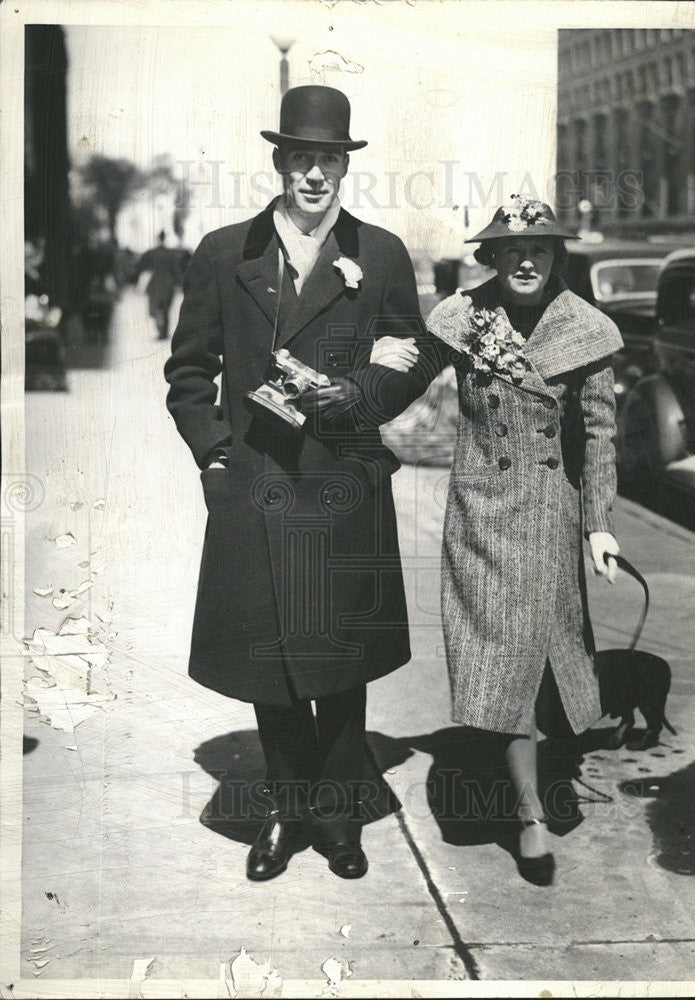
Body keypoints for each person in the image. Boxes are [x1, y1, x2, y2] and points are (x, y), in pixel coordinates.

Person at [164, 85, 438, 882]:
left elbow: (412, 352)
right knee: (272, 658)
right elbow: (188, 371)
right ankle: (286, 809)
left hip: (343, 477)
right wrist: (213, 450)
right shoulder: (226, 251)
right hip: (256, 482)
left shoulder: (379, 253)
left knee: (341, 657)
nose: (315, 175)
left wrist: (360, 396)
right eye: (302, 159)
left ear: (344, 168)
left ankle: (337, 812)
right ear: (279, 162)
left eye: (329, 160)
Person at [388, 197, 623, 885]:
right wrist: (346, 390)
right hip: (482, 517)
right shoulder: (461, 317)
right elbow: (400, 380)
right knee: (505, 668)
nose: (525, 260)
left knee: (540, 666)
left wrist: (600, 524)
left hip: (550, 513)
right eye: (511, 250)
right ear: (491, 257)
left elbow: (602, 436)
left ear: (557, 258)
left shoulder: (587, 329)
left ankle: (533, 786)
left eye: (540, 250)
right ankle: (527, 816)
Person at [136, 230, 183, 339]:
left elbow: (141, 266)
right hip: (168, 284)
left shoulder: (151, 253)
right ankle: (164, 331)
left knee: (157, 309)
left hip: (156, 284)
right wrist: (180, 283)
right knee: (166, 309)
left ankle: (161, 329)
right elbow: (176, 270)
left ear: (158, 238)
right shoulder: (171, 254)